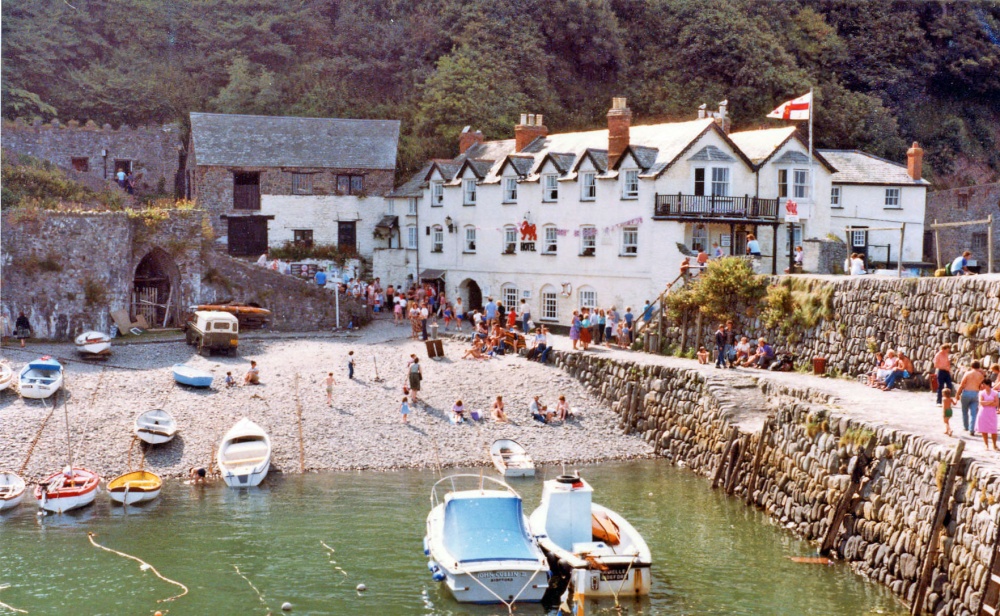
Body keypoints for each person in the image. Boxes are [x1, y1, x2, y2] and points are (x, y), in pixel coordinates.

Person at [956, 360, 986, 435]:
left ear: (971, 366)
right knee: (974, 413)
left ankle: (966, 426)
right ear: (979, 367)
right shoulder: (981, 375)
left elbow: (962, 384)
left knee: (964, 411)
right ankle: (972, 429)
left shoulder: (967, 373)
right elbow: (983, 385)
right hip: (976, 393)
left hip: (966, 392)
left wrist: (957, 394)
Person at [977, 380, 998, 450]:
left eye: (983, 384)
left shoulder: (995, 393)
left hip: (992, 412)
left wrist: (986, 403)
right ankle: (986, 445)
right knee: (984, 429)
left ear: (988, 385)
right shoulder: (981, 393)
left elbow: (996, 403)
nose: (982, 386)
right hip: (983, 412)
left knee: (993, 429)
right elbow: (981, 402)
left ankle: (994, 445)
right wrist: (990, 402)